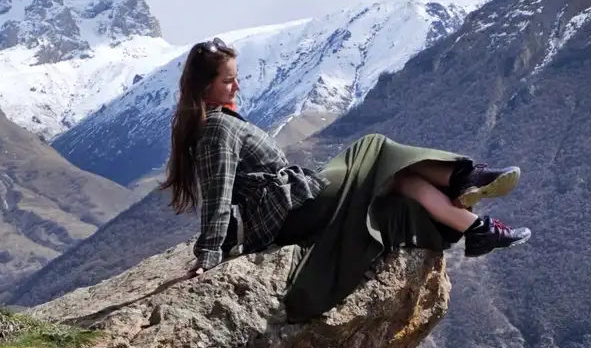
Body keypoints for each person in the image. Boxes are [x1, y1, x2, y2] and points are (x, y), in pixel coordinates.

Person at [160, 38, 531, 322]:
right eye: (228, 81)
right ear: (204, 87)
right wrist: (208, 254)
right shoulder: (216, 130)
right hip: (287, 214)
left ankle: (478, 229)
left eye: (236, 79)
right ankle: (465, 176)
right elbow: (218, 193)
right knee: (374, 147)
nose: (236, 87)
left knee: (401, 183)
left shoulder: (218, 122)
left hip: (292, 203)